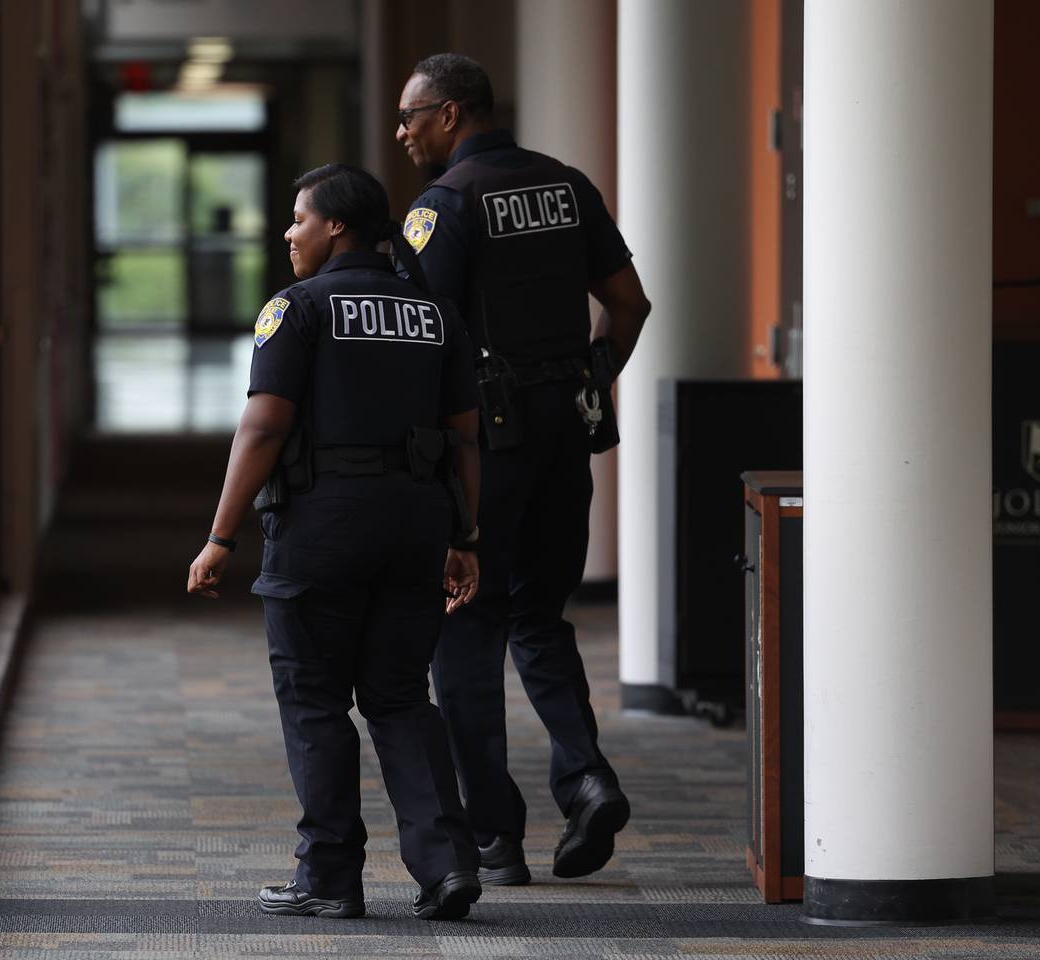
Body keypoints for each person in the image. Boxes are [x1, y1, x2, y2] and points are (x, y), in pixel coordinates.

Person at [185, 162, 486, 921]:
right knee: (397, 698)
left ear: (337, 226)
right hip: (416, 522)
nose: (289, 232)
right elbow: (465, 441)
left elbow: (263, 425)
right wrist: (465, 536)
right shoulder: (436, 314)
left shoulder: (297, 308)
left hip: (323, 525)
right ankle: (447, 866)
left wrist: (221, 534)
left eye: (299, 219)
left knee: (315, 700)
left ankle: (328, 876)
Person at [393, 53, 653, 884]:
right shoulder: (568, 185)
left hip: (484, 452)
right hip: (564, 440)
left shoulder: (446, 205)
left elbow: (422, 340)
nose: (403, 132)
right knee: (540, 618)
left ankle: (494, 835)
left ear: (454, 113)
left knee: (464, 630)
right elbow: (630, 302)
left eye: (413, 116)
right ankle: (585, 779)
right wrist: (588, 373)